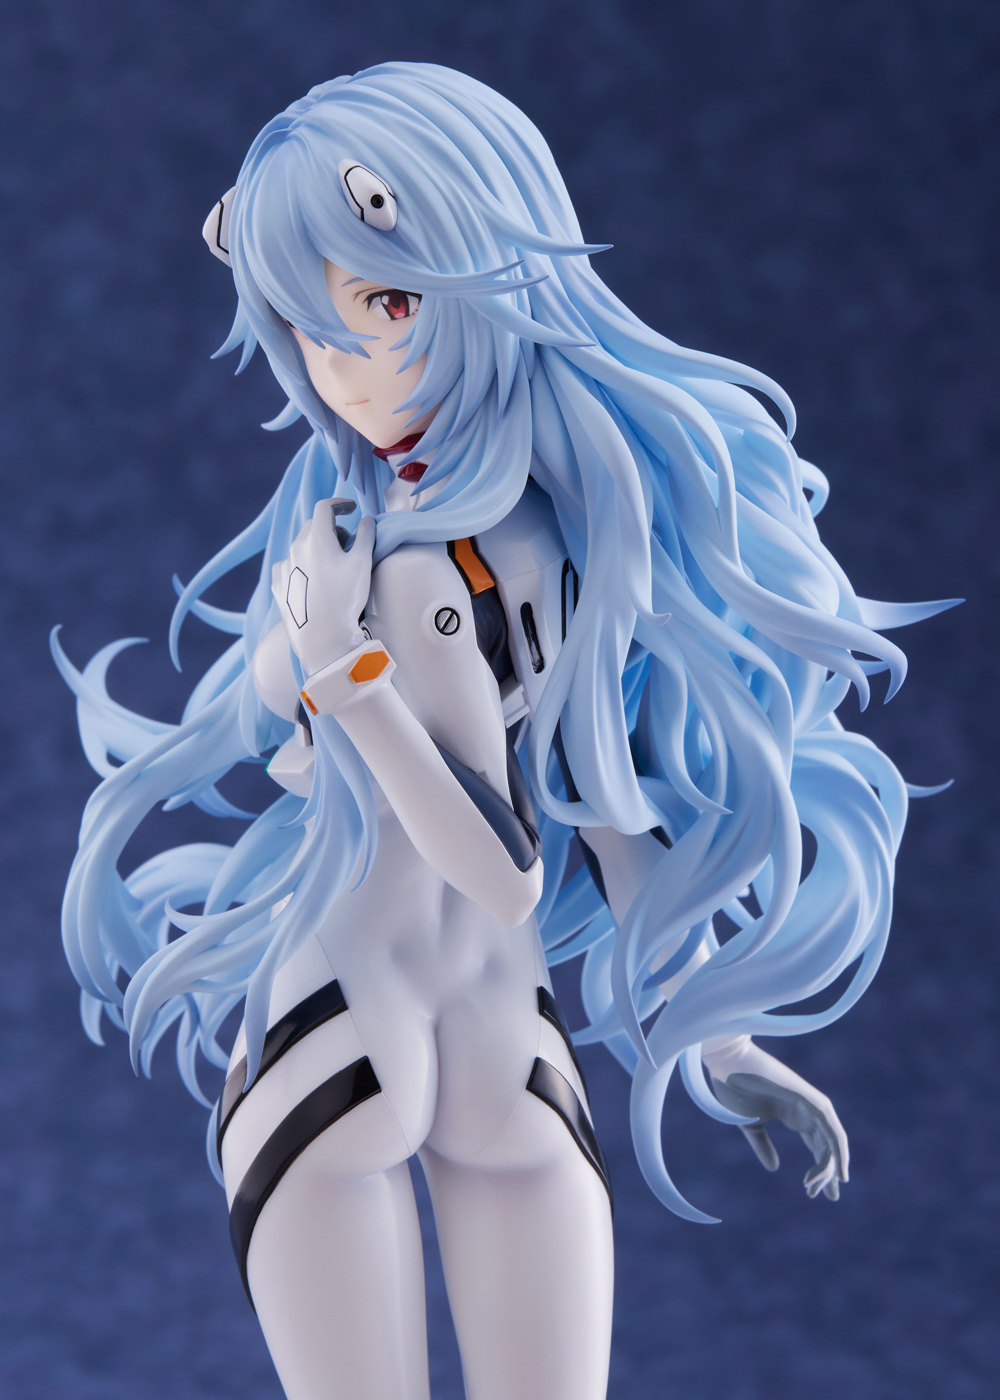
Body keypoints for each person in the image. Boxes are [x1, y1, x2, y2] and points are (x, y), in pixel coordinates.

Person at [54, 62, 954, 1400]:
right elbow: (515, 856)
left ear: (486, 274)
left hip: (402, 1036)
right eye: (311, 324)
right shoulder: (411, 551)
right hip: (443, 1036)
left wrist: (718, 1036)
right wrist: (342, 681)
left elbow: (572, 825)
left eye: (387, 304)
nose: (346, 363)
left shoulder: (480, 553)